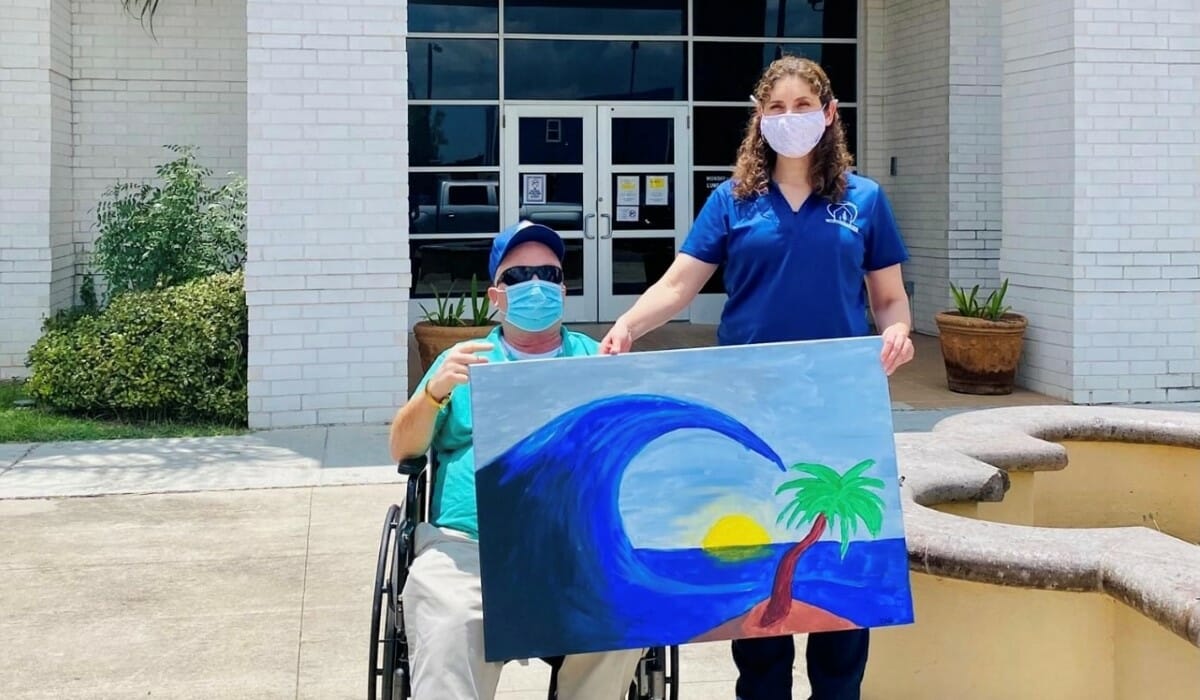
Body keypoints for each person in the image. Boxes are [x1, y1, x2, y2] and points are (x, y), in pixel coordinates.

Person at [598, 56, 915, 700]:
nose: (790, 118)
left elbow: (889, 298)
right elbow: (682, 282)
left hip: (837, 408)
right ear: (759, 118)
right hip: (752, 409)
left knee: (840, 570)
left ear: (829, 115)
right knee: (758, 565)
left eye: (804, 106)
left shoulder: (864, 200)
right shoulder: (732, 200)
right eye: (777, 108)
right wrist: (629, 324)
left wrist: (897, 332)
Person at [389, 221, 643, 699]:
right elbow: (403, 448)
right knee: (446, 624)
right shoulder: (463, 360)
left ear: (563, 291)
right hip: (469, 550)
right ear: (495, 296)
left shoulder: (596, 360)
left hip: (576, 548)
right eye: (519, 275)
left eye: (548, 275)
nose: (535, 285)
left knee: (625, 612)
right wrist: (435, 393)